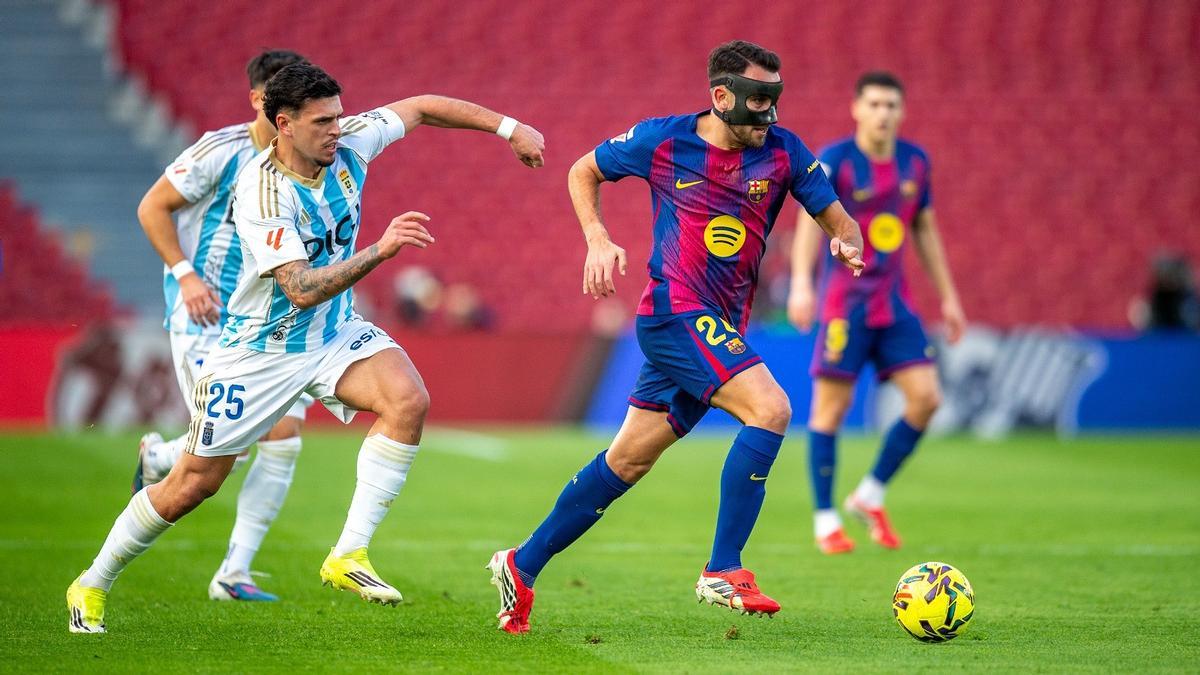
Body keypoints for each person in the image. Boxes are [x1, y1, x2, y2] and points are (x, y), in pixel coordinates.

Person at [66, 61, 545, 634]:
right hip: (260, 351)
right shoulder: (261, 192)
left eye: (339, 116)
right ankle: (91, 582)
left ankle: (349, 554)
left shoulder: (348, 145)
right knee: (194, 483)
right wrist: (381, 250)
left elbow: (419, 105)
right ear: (284, 124)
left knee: (407, 401)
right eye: (323, 121)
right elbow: (297, 288)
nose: (337, 130)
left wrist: (508, 127)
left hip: (332, 334)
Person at [486, 40, 864, 634]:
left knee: (629, 459)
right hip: (675, 314)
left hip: (719, 323)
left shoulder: (785, 152)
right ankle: (723, 567)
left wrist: (847, 241)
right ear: (721, 97)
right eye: (758, 99)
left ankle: (521, 563)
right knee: (770, 410)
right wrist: (597, 237)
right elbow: (583, 169)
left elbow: (836, 216)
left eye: (775, 98)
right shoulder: (663, 140)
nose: (769, 112)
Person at [133, 49, 309, 602]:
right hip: (206, 316)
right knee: (227, 449)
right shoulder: (221, 150)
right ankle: (161, 458)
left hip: (271, 320)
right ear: (259, 99)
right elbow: (152, 207)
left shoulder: (308, 159)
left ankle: (233, 574)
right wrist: (186, 276)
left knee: (283, 436)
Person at [787, 71, 965, 555]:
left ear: (901, 112)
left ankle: (869, 494)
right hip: (844, 306)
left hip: (896, 305)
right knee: (831, 411)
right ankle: (826, 519)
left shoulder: (915, 163)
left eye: (891, 105)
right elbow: (809, 222)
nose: (883, 113)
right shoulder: (837, 160)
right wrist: (802, 283)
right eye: (875, 104)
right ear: (857, 109)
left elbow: (924, 231)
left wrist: (948, 296)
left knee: (927, 399)